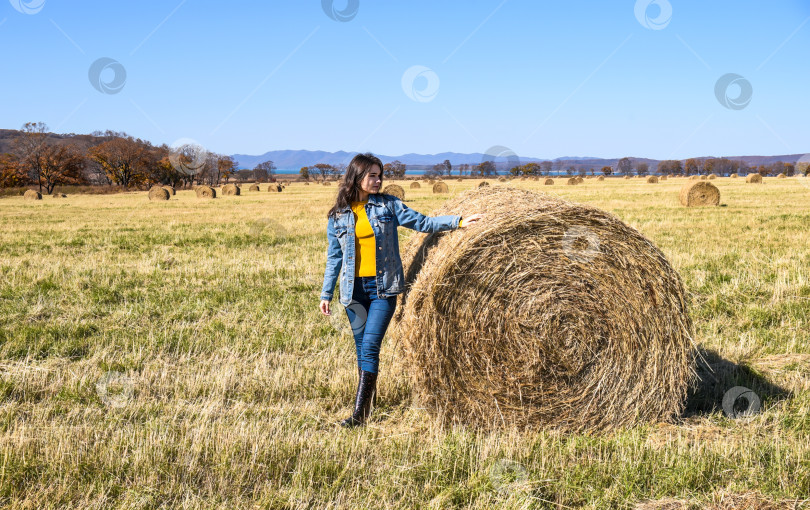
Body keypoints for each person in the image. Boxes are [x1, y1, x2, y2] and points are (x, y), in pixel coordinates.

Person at [319, 153, 483, 428]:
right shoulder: (338, 216)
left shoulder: (388, 206)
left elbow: (424, 223)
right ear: (357, 177)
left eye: (379, 175)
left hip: (383, 288)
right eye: (372, 175)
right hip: (352, 292)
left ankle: (359, 416)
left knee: (370, 346)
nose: (378, 180)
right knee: (361, 349)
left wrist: (458, 221)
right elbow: (334, 258)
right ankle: (366, 405)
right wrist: (326, 294)